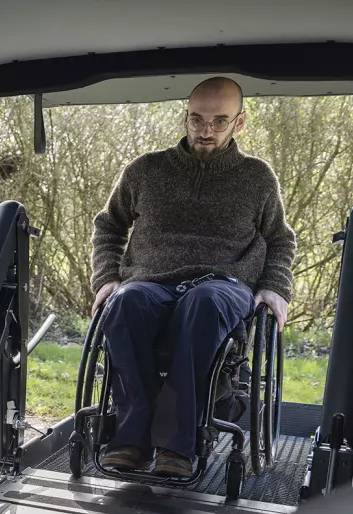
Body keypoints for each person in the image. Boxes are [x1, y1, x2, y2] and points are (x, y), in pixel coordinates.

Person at [89, 76, 297, 478]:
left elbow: (280, 240)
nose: (206, 130)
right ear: (185, 117)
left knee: (203, 303)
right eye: (197, 119)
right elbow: (108, 227)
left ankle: (175, 444)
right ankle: (131, 437)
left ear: (239, 123)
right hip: (151, 282)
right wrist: (107, 279)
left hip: (224, 284)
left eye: (219, 121)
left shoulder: (257, 177)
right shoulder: (145, 170)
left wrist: (275, 287)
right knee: (125, 303)